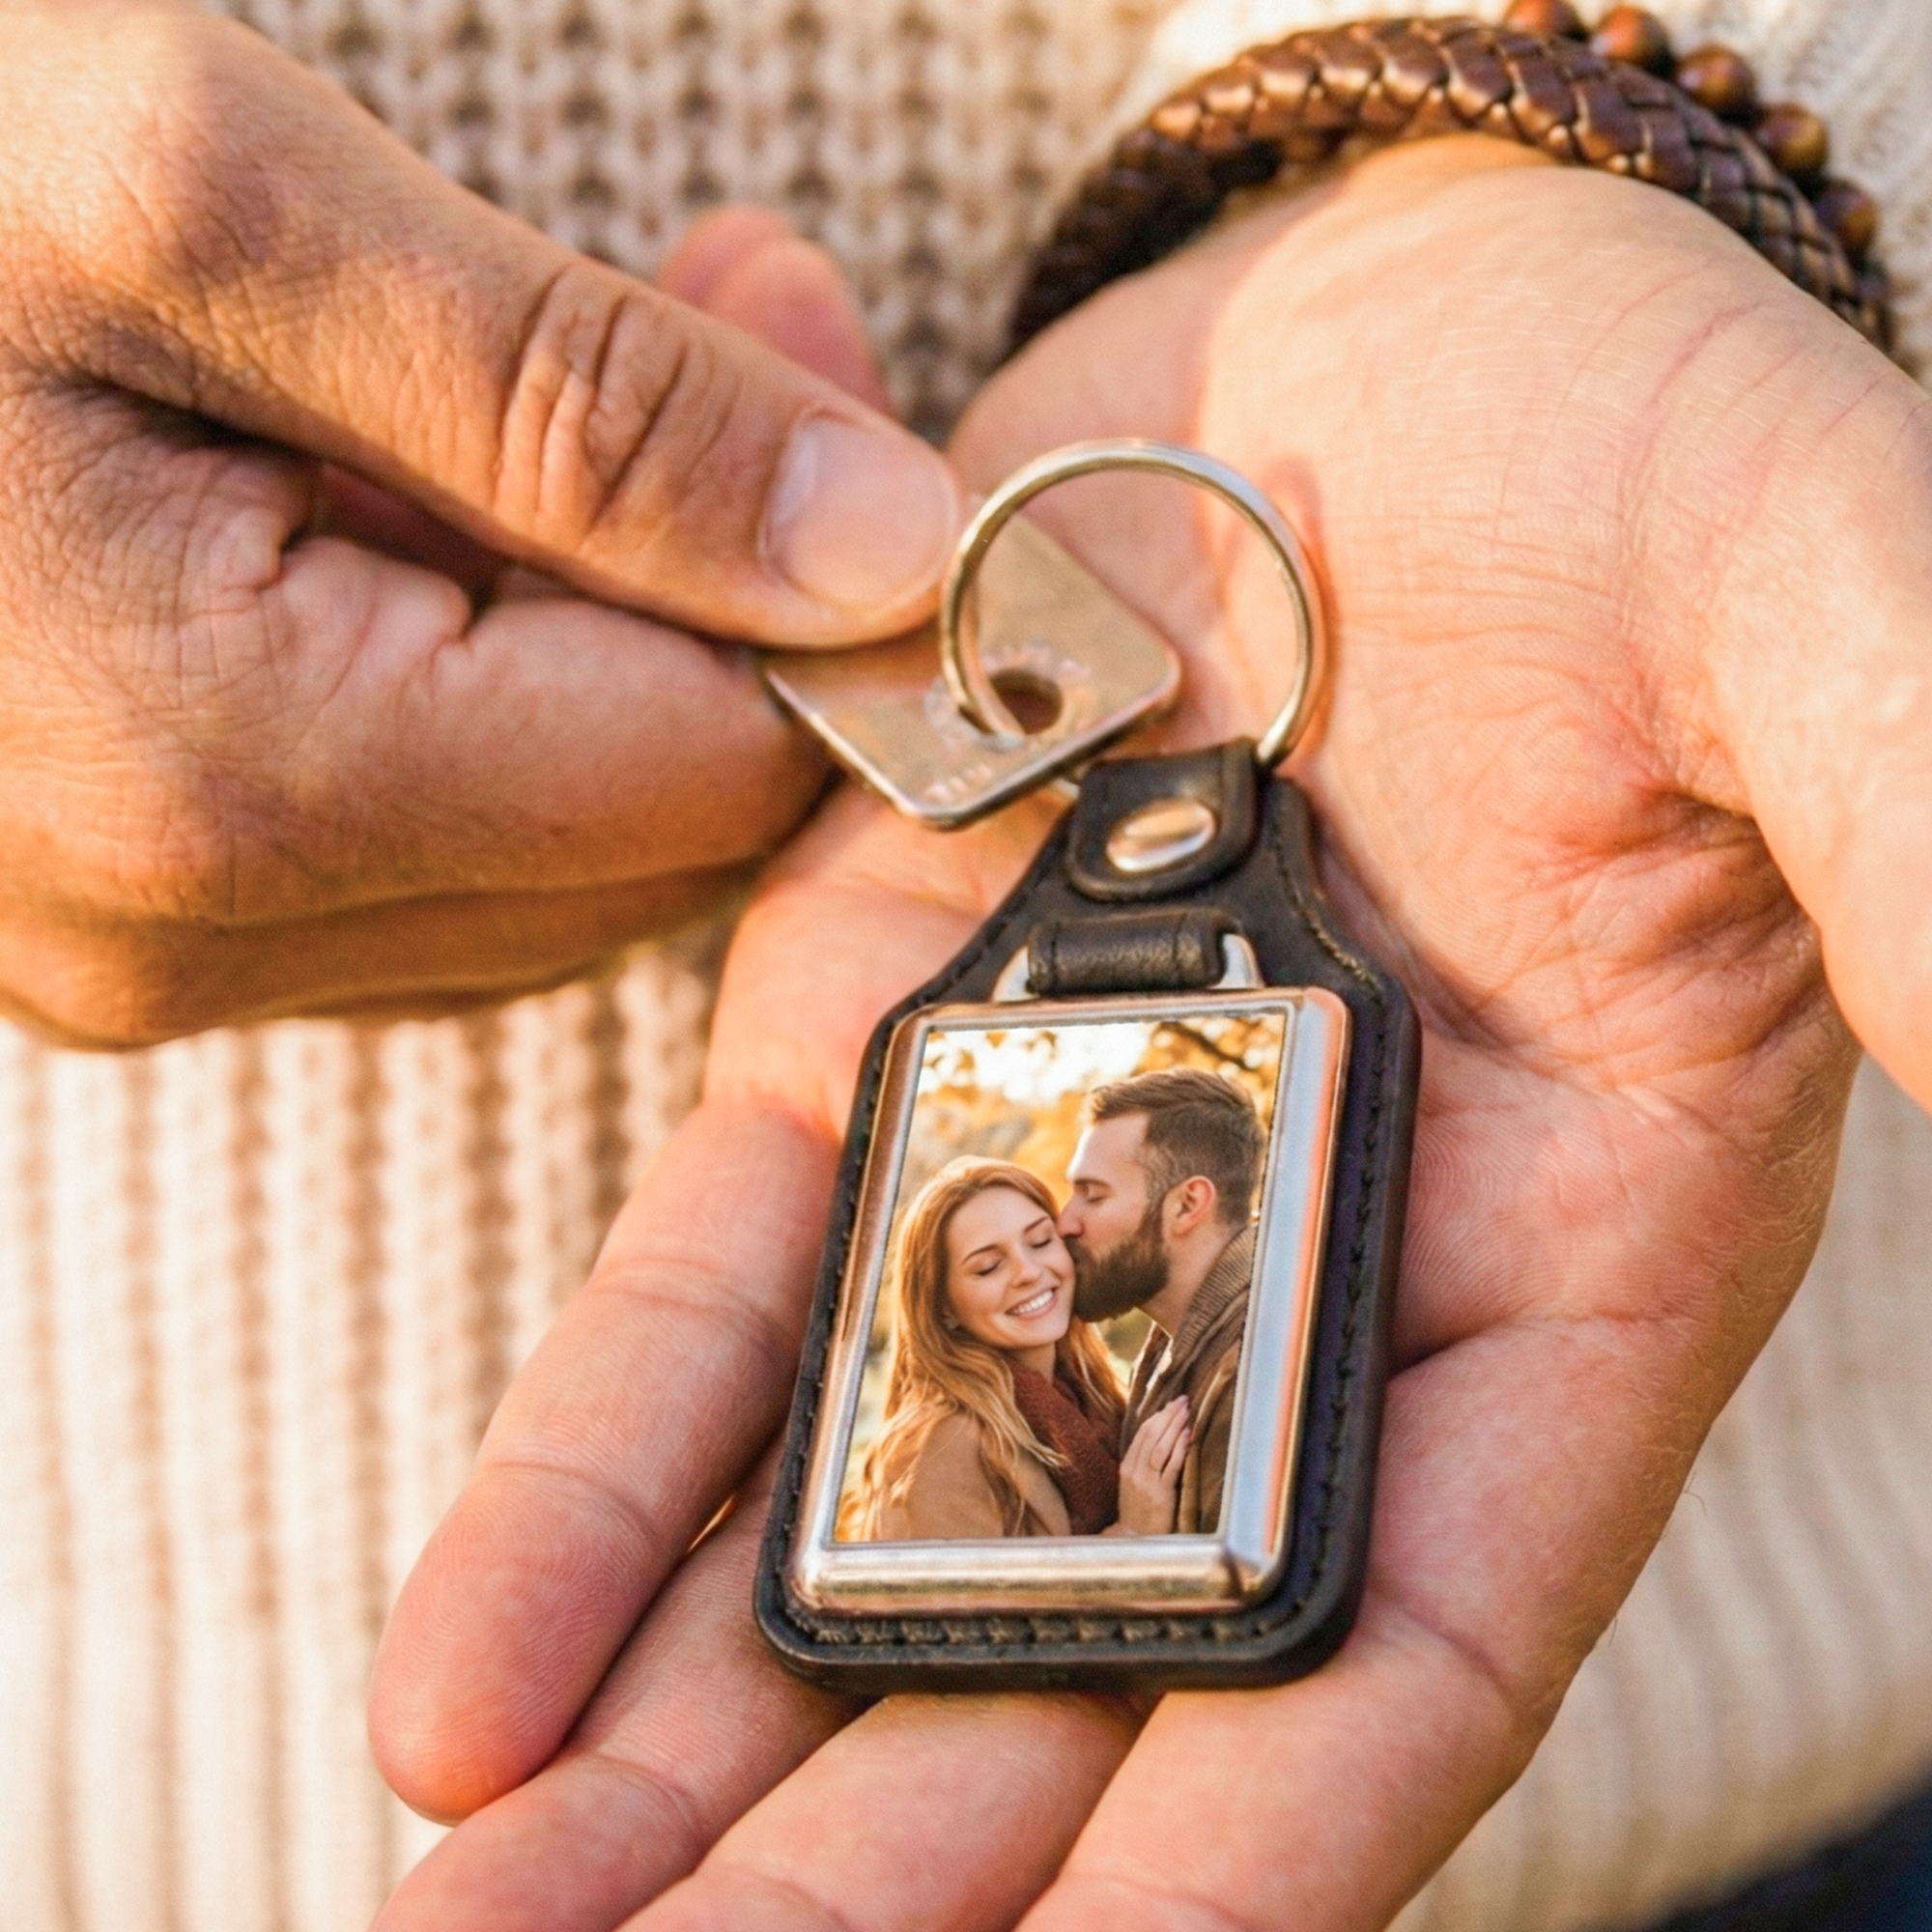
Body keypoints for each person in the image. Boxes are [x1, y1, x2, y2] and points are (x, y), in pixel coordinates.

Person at [7, 5, 1932, 1932]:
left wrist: (1617, 104)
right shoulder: (988, 1427)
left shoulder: (1134, 1369)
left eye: (1053, 1211)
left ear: (1188, 1196)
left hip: (1771, 1666)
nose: (1048, 1244)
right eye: (1022, 1226)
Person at [841, 1157, 1189, 1541]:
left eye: (1041, 1241)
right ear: (943, 1307)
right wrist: (1132, 1534)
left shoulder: (1092, 1397)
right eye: (989, 1267)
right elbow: (952, 1601)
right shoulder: (939, 1446)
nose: (1028, 1272)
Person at [1058, 1069, 1266, 1535]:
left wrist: (1139, 1548)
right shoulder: (1171, 1347)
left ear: (1187, 1205)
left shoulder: (1255, 1372)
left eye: (1093, 1196)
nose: (1064, 1222)